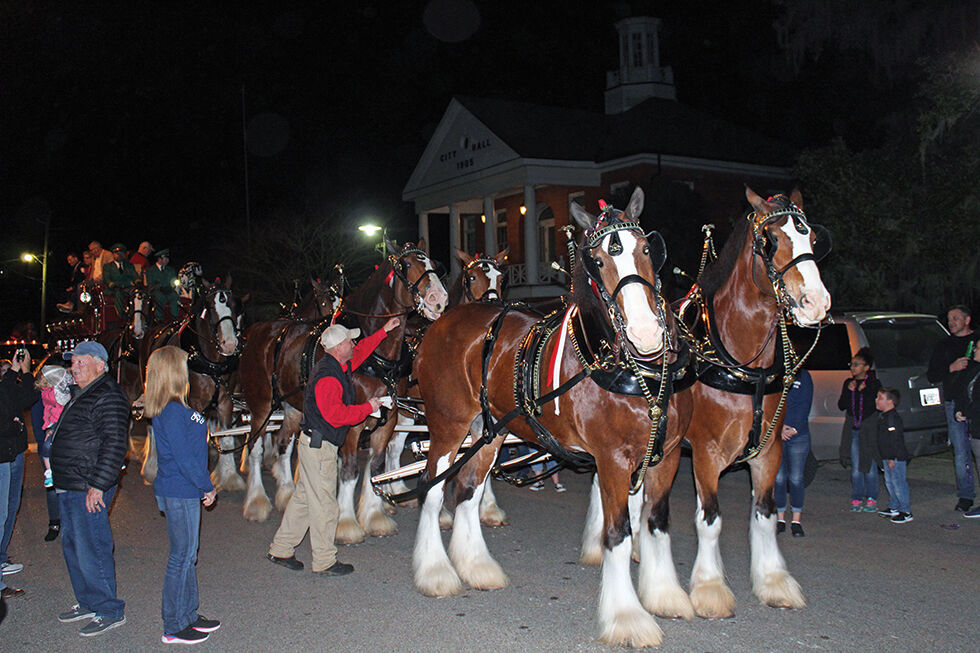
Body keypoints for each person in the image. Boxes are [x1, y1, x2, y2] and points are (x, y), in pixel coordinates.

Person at [267, 318, 400, 575]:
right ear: (339, 346)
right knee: (325, 504)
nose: (354, 343)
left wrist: (384, 332)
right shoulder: (328, 376)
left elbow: (361, 353)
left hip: (314, 444)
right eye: (350, 340)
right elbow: (336, 415)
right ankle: (324, 560)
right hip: (320, 447)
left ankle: (281, 548)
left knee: (305, 499)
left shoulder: (338, 365)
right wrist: (368, 407)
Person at [49, 341, 129, 636]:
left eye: (81, 362)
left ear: (100, 364)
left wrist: (98, 484)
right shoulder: (84, 393)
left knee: (92, 547)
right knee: (73, 546)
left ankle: (109, 609)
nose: (74, 367)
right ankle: (88, 600)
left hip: (87, 485)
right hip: (71, 483)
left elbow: (114, 444)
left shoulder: (108, 394)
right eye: (72, 363)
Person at [143, 346, 220, 645]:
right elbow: (186, 458)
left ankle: (188, 614)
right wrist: (206, 486)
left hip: (181, 488)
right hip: (181, 489)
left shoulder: (176, 407)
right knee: (181, 556)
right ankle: (174, 624)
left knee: (188, 555)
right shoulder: (173, 411)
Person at [927, 305, 977, 512]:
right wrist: (951, 368)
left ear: (967, 320)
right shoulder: (944, 345)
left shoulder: (976, 341)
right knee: (961, 452)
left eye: (956, 318)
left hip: (976, 403)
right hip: (954, 403)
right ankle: (966, 495)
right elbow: (932, 375)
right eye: (949, 319)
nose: (952, 322)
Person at [0, 348, 39, 600]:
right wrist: (15, 371)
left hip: (12, 453)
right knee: (0, 513)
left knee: (9, 510)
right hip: (2, 455)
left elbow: (28, 396)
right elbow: (8, 401)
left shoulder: (7, 389)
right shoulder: (4, 390)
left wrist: (24, 372)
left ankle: (1, 559)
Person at [838, 347, 882, 512]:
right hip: (854, 431)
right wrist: (850, 393)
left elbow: (875, 407)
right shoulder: (848, 383)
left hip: (868, 431)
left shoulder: (874, 384)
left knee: (869, 466)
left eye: (857, 364)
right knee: (856, 467)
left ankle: (872, 498)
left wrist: (867, 393)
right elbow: (842, 406)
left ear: (866, 367)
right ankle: (856, 497)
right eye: (852, 364)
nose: (853, 367)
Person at [775, 368, 813, 537]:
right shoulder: (777, 375)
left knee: (796, 478)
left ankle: (796, 521)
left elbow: (805, 404)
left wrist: (794, 428)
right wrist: (779, 428)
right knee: (779, 477)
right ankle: (780, 519)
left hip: (799, 435)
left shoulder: (804, 376)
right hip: (778, 434)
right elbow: (773, 402)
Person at [948, 336, 980, 518]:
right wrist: (960, 409)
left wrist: (967, 411)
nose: (974, 350)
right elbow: (963, 391)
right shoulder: (974, 370)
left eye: (978, 348)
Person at [874, 387, 912, 523]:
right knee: (890, 482)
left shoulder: (893, 419)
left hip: (895, 457)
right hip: (887, 456)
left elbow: (895, 439)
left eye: (880, 398)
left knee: (898, 483)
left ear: (890, 402)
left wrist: (892, 457)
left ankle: (905, 511)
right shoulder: (883, 417)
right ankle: (894, 506)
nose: (877, 401)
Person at [37, 365, 73, 490]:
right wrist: (48, 426)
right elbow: (48, 410)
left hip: (64, 422)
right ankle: (49, 471)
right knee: (47, 447)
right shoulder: (45, 392)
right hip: (54, 423)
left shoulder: (63, 391)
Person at [103, 243, 139, 318]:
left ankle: (136, 315)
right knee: (118, 294)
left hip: (128, 288)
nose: (119, 255)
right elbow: (107, 280)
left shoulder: (129, 265)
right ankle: (121, 316)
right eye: (116, 253)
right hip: (113, 289)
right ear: (113, 255)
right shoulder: (108, 267)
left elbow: (135, 276)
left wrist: (137, 282)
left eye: (121, 253)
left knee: (137, 294)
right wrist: (115, 285)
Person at [144, 248, 179, 320]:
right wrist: (159, 287)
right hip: (156, 290)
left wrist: (171, 287)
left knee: (174, 296)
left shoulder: (170, 270)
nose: (167, 260)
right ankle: (159, 319)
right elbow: (150, 283)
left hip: (168, 290)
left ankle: (174, 317)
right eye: (165, 258)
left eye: (167, 258)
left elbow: (174, 281)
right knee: (160, 297)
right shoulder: (151, 270)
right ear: (159, 259)